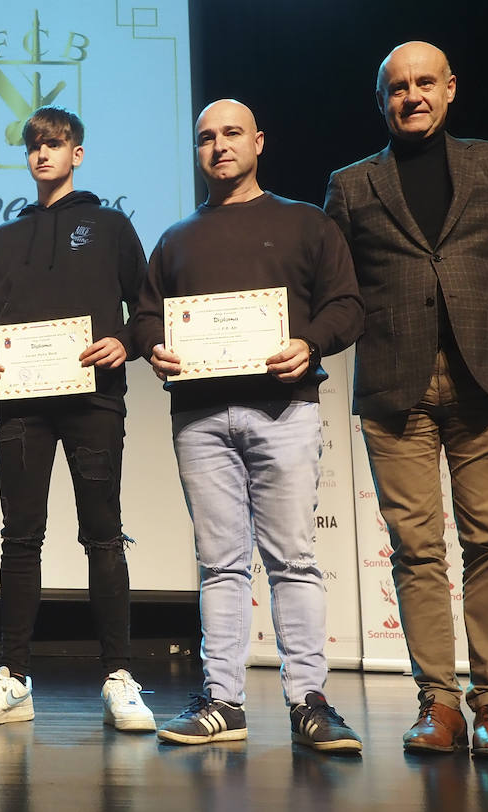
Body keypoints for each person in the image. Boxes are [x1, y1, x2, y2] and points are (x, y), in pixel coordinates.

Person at [324, 41, 488, 759]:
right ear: (381, 100)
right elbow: (338, 287)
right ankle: (439, 706)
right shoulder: (352, 184)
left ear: (451, 89)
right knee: (416, 551)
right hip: (397, 388)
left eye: (425, 83)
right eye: (397, 87)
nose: (411, 95)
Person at [136, 99, 365, 752]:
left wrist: (311, 343)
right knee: (221, 565)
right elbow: (147, 315)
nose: (218, 146)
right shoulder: (177, 238)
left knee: (292, 559)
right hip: (201, 420)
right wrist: (155, 346)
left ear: (258, 142)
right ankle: (223, 702)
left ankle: (310, 702)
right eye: (206, 138)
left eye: (231, 134)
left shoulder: (305, 223)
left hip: (283, 409)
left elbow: (347, 305)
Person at [0, 106, 155, 731]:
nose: (42, 154)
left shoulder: (110, 224)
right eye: (33, 146)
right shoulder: (6, 237)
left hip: (94, 399)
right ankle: (13, 678)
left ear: (77, 153)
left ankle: (119, 677)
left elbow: (149, 309)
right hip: (22, 405)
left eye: (55, 144)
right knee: (20, 536)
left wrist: (125, 340)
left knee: (103, 532)